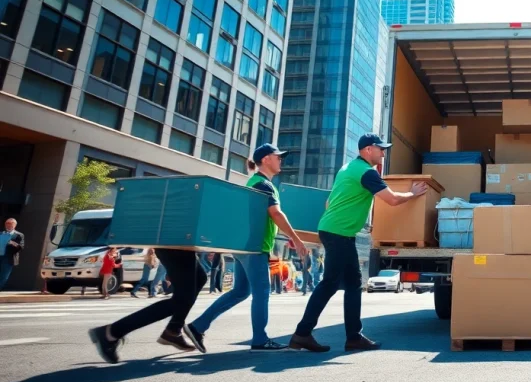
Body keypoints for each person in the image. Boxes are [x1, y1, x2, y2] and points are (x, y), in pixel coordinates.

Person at [287, 134, 427, 353]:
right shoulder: (366, 172)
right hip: (339, 233)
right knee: (331, 284)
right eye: (380, 149)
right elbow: (391, 199)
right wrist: (413, 192)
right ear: (368, 150)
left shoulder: (347, 168)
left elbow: (328, 203)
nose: (383, 153)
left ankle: (350, 337)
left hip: (335, 230)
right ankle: (304, 334)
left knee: (351, 284)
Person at [186, 144, 309, 352]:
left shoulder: (255, 182)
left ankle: (198, 326)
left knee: (241, 291)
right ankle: (260, 339)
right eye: (278, 156)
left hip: (245, 245)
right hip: (254, 246)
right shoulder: (263, 185)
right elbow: (276, 214)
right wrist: (296, 239)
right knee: (262, 291)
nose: (281, 160)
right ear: (266, 159)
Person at [90, 251, 206, 362]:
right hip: (176, 243)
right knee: (181, 299)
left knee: (199, 279)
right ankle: (112, 332)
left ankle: (173, 329)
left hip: (180, 245)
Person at [0, 218, 25, 291]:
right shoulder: (1, 233)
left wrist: (12, 243)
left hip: (8, 258)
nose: (8, 225)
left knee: (3, 276)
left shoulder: (19, 235)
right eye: (7, 223)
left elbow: (21, 247)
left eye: (11, 223)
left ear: (15, 225)